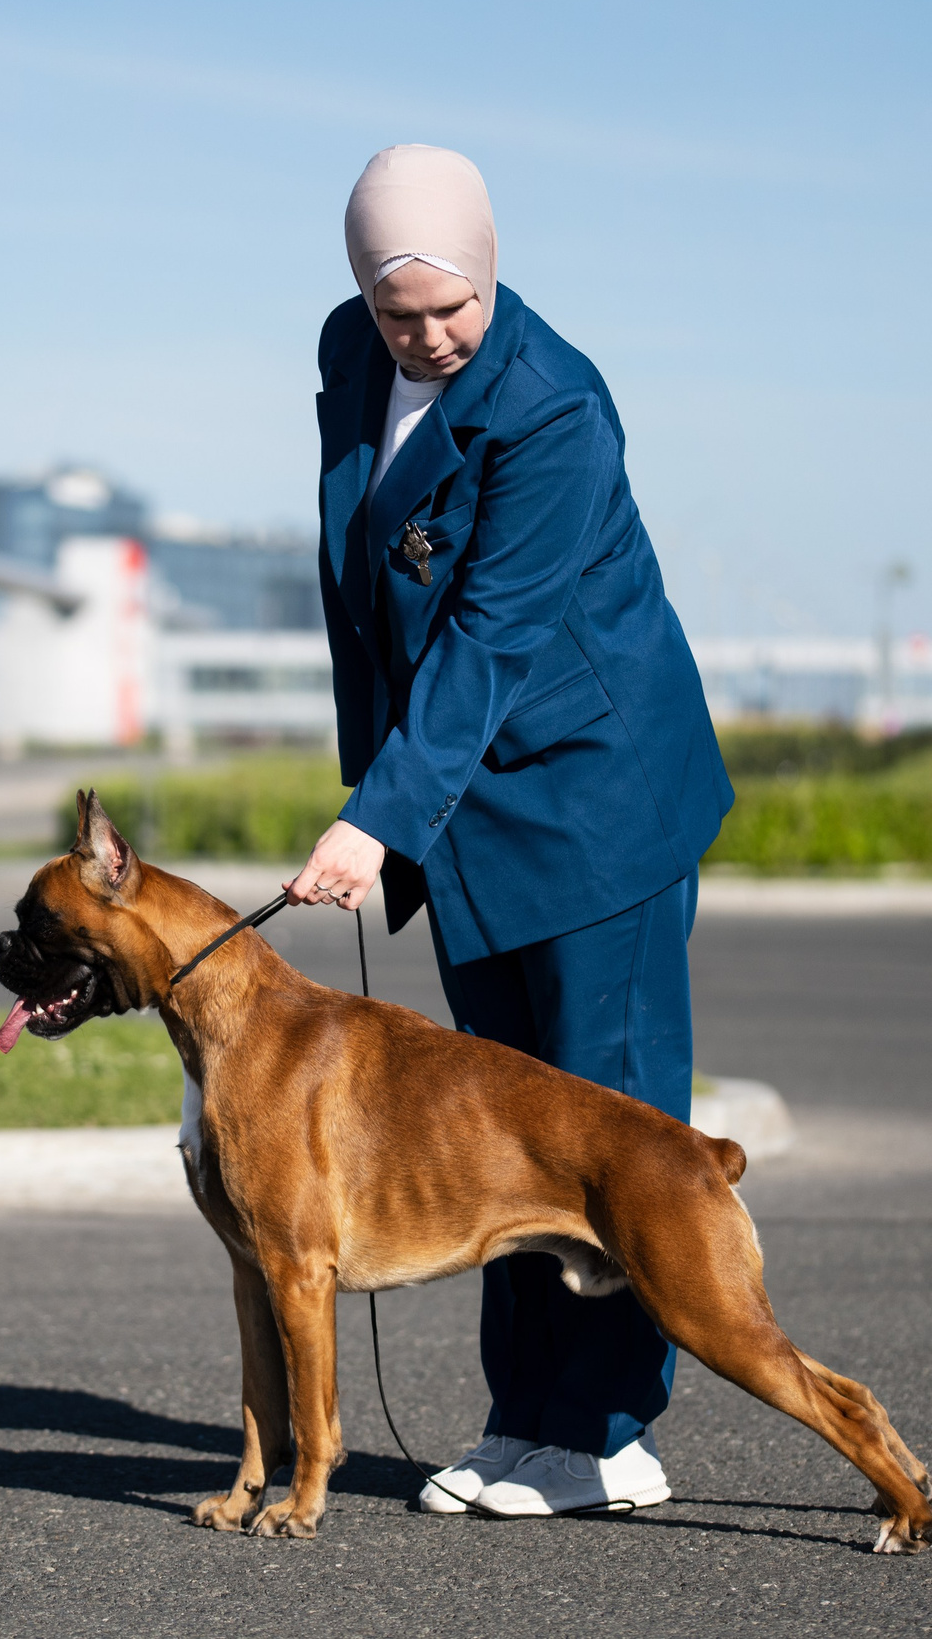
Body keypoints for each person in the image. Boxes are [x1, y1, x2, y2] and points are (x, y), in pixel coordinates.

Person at [283, 144, 733, 1518]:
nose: (426, 337)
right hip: (467, 805)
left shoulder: (555, 409)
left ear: (492, 265)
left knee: (608, 1125)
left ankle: (604, 1433)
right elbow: (368, 582)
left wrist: (373, 820)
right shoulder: (352, 354)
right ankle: (522, 1420)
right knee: (497, 1134)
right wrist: (400, 800)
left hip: (594, 798)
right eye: (396, 309)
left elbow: (488, 638)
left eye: (451, 306)